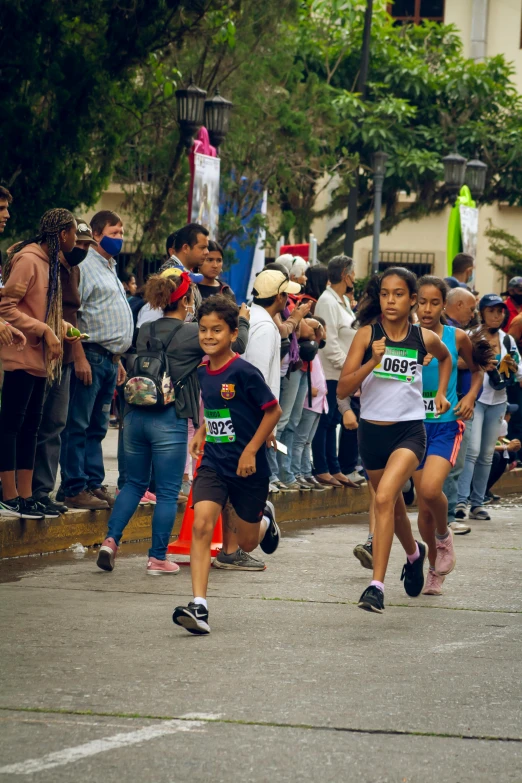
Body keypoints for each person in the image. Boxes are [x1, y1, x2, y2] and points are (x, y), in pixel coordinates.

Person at [337, 267, 451, 613]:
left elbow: (446, 359)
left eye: (398, 294)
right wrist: (373, 360)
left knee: (385, 497)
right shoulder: (365, 336)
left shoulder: (424, 338)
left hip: (409, 431)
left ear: (412, 299)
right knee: (394, 507)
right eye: (385, 293)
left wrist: (442, 392)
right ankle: (415, 554)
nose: (390, 300)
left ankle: (376, 586)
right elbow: (342, 389)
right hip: (372, 434)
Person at [173, 296, 282, 634]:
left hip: (248, 469)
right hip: (215, 464)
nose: (208, 336)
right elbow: (216, 407)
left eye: (216, 330)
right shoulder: (203, 370)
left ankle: (264, 517)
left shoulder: (245, 371)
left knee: (248, 542)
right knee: (202, 525)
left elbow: (272, 410)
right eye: (203, 330)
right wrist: (203, 432)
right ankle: (199, 606)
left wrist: (251, 450)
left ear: (234, 333)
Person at [0, 209, 78, 519]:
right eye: (73, 233)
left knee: (31, 426)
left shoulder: (50, 263)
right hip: (20, 354)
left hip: (39, 359)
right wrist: (44, 330)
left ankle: (26, 495)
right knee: (12, 426)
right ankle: (8, 496)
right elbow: (6, 307)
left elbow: (37, 309)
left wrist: (59, 327)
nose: (76, 239)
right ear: (62, 235)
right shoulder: (29, 260)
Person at [412, 276, 484, 596]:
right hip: (412, 427)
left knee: (430, 490)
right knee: (423, 507)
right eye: (422, 302)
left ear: (445, 305)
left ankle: (444, 537)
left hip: (445, 423)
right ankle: (434, 566)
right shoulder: (404, 336)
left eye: (434, 303)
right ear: (414, 301)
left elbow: (478, 370)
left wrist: (468, 399)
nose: (427, 309)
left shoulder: (458, 337)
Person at [59, 211, 133, 510]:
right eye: (114, 233)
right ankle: (73, 486)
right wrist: (78, 355)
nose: (120, 238)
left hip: (109, 360)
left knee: (98, 427)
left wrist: (119, 359)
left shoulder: (109, 266)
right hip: (89, 355)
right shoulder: (86, 265)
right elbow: (73, 313)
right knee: (77, 424)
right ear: (97, 234)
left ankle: (92, 483)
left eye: (122, 232)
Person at [32, 221, 97, 516]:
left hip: (65, 356)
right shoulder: (44, 264)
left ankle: (41, 490)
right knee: (30, 422)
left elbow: (73, 315)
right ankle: (21, 489)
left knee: (56, 424)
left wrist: (76, 353)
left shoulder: (75, 270)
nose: (81, 250)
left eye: (86, 246)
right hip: (38, 353)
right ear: (65, 238)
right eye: (79, 243)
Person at [456, 294, 522, 521]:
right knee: (471, 452)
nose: (497, 315)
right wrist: (481, 363)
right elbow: (457, 362)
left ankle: (477, 502)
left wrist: (512, 368)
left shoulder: (508, 340)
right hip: (475, 399)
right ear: (482, 312)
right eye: (492, 310)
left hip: (498, 400)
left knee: (486, 454)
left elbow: (518, 372)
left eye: (501, 311)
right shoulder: (470, 336)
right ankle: (460, 501)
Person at [313, 255, 360, 487]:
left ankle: (334, 467)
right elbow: (330, 343)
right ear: (345, 274)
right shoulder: (328, 301)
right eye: (353, 273)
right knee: (326, 421)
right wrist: (349, 369)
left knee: (333, 421)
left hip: (342, 372)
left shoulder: (341, 301)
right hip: (332, 372)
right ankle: (322, 468)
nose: (356, 278)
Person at [441, 286, 482, 534]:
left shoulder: (465, 331)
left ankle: (447, 516)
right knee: (450, 465)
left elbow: (478, 368)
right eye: (471, 307)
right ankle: (445, 518)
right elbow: (447, 360)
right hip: (448, 405)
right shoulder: (449, 332)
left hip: (462, 403)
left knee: (455, 465)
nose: (473, 312)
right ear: (457, 305)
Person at [137, 224, 207, 327]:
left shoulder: (184, 272)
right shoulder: (170, 275)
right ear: (186, 248)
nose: (207, 252)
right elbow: (154, 318)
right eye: (202, 248)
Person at [485, 404, 520, 502]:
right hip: (476, 454)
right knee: (495, 456)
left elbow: (499, 441)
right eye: (509, 414)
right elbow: (484, 447)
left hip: (489, 450)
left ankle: (485, 489)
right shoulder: (483, 422)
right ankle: (474, 491)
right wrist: (506, 447)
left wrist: (512, 445)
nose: (510, 417)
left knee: (509, 455)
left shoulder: (502, 423)